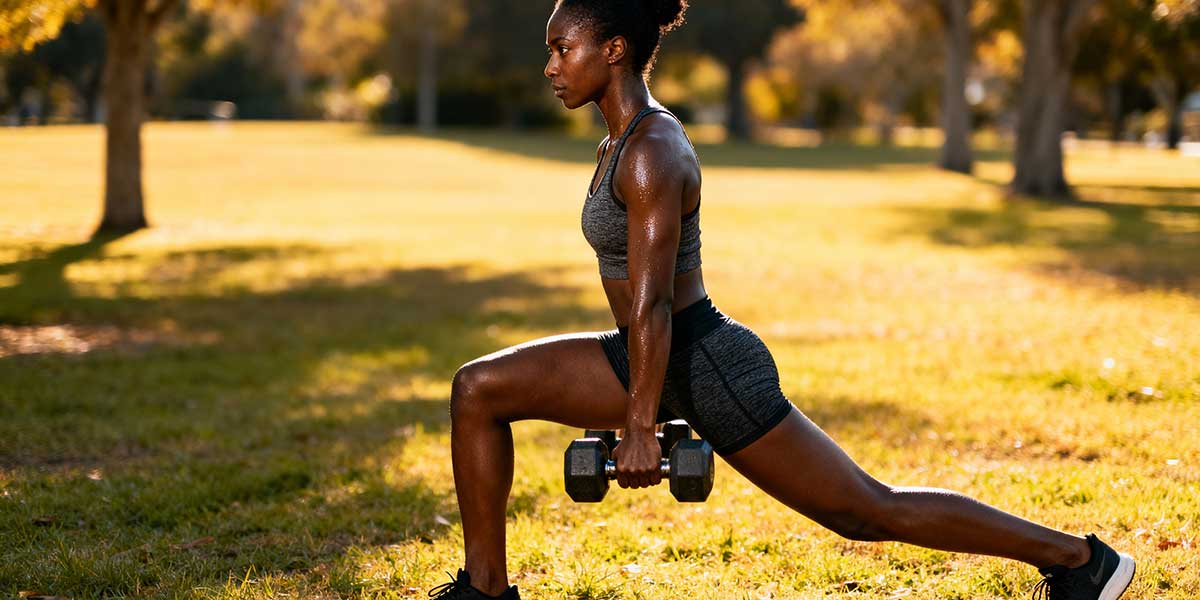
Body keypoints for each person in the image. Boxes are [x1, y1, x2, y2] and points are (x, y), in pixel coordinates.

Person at [428, 1, 1137, 599]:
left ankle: (1078, 560)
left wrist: (641, 423)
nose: (550, 66)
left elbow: (652, 306)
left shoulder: (651, 151)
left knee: (864, 510)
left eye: (561, 48)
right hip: (646, 358)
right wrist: (640, 401)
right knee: (479, 390)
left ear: (613, 50)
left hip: (704, 364)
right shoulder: (618, 142)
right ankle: (484, 589)